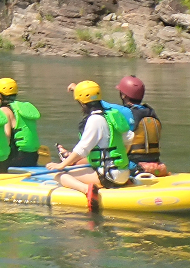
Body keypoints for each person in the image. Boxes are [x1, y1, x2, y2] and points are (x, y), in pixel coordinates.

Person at [46, 80, 131, 211]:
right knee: (75, 170)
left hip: (109, 176)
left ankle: (88, 190)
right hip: (124, 173)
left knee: (60, 175)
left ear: (81, 103)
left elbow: (82, 150)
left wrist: (61, 165)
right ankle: (119, 179)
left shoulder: (94, 120)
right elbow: (130, 139)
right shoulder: (111, 116)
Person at [114, 75, 165, 175]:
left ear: (124, 95)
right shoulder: (152, 112)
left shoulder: (126, 113)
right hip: (155, 163)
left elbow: (102, 105)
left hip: (134, 167)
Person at [0, 78, 42, 167]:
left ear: (0, 95)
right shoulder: (23, 108)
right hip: (33, 156)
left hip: (16, 158)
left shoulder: (4, 110)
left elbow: (6, 137)